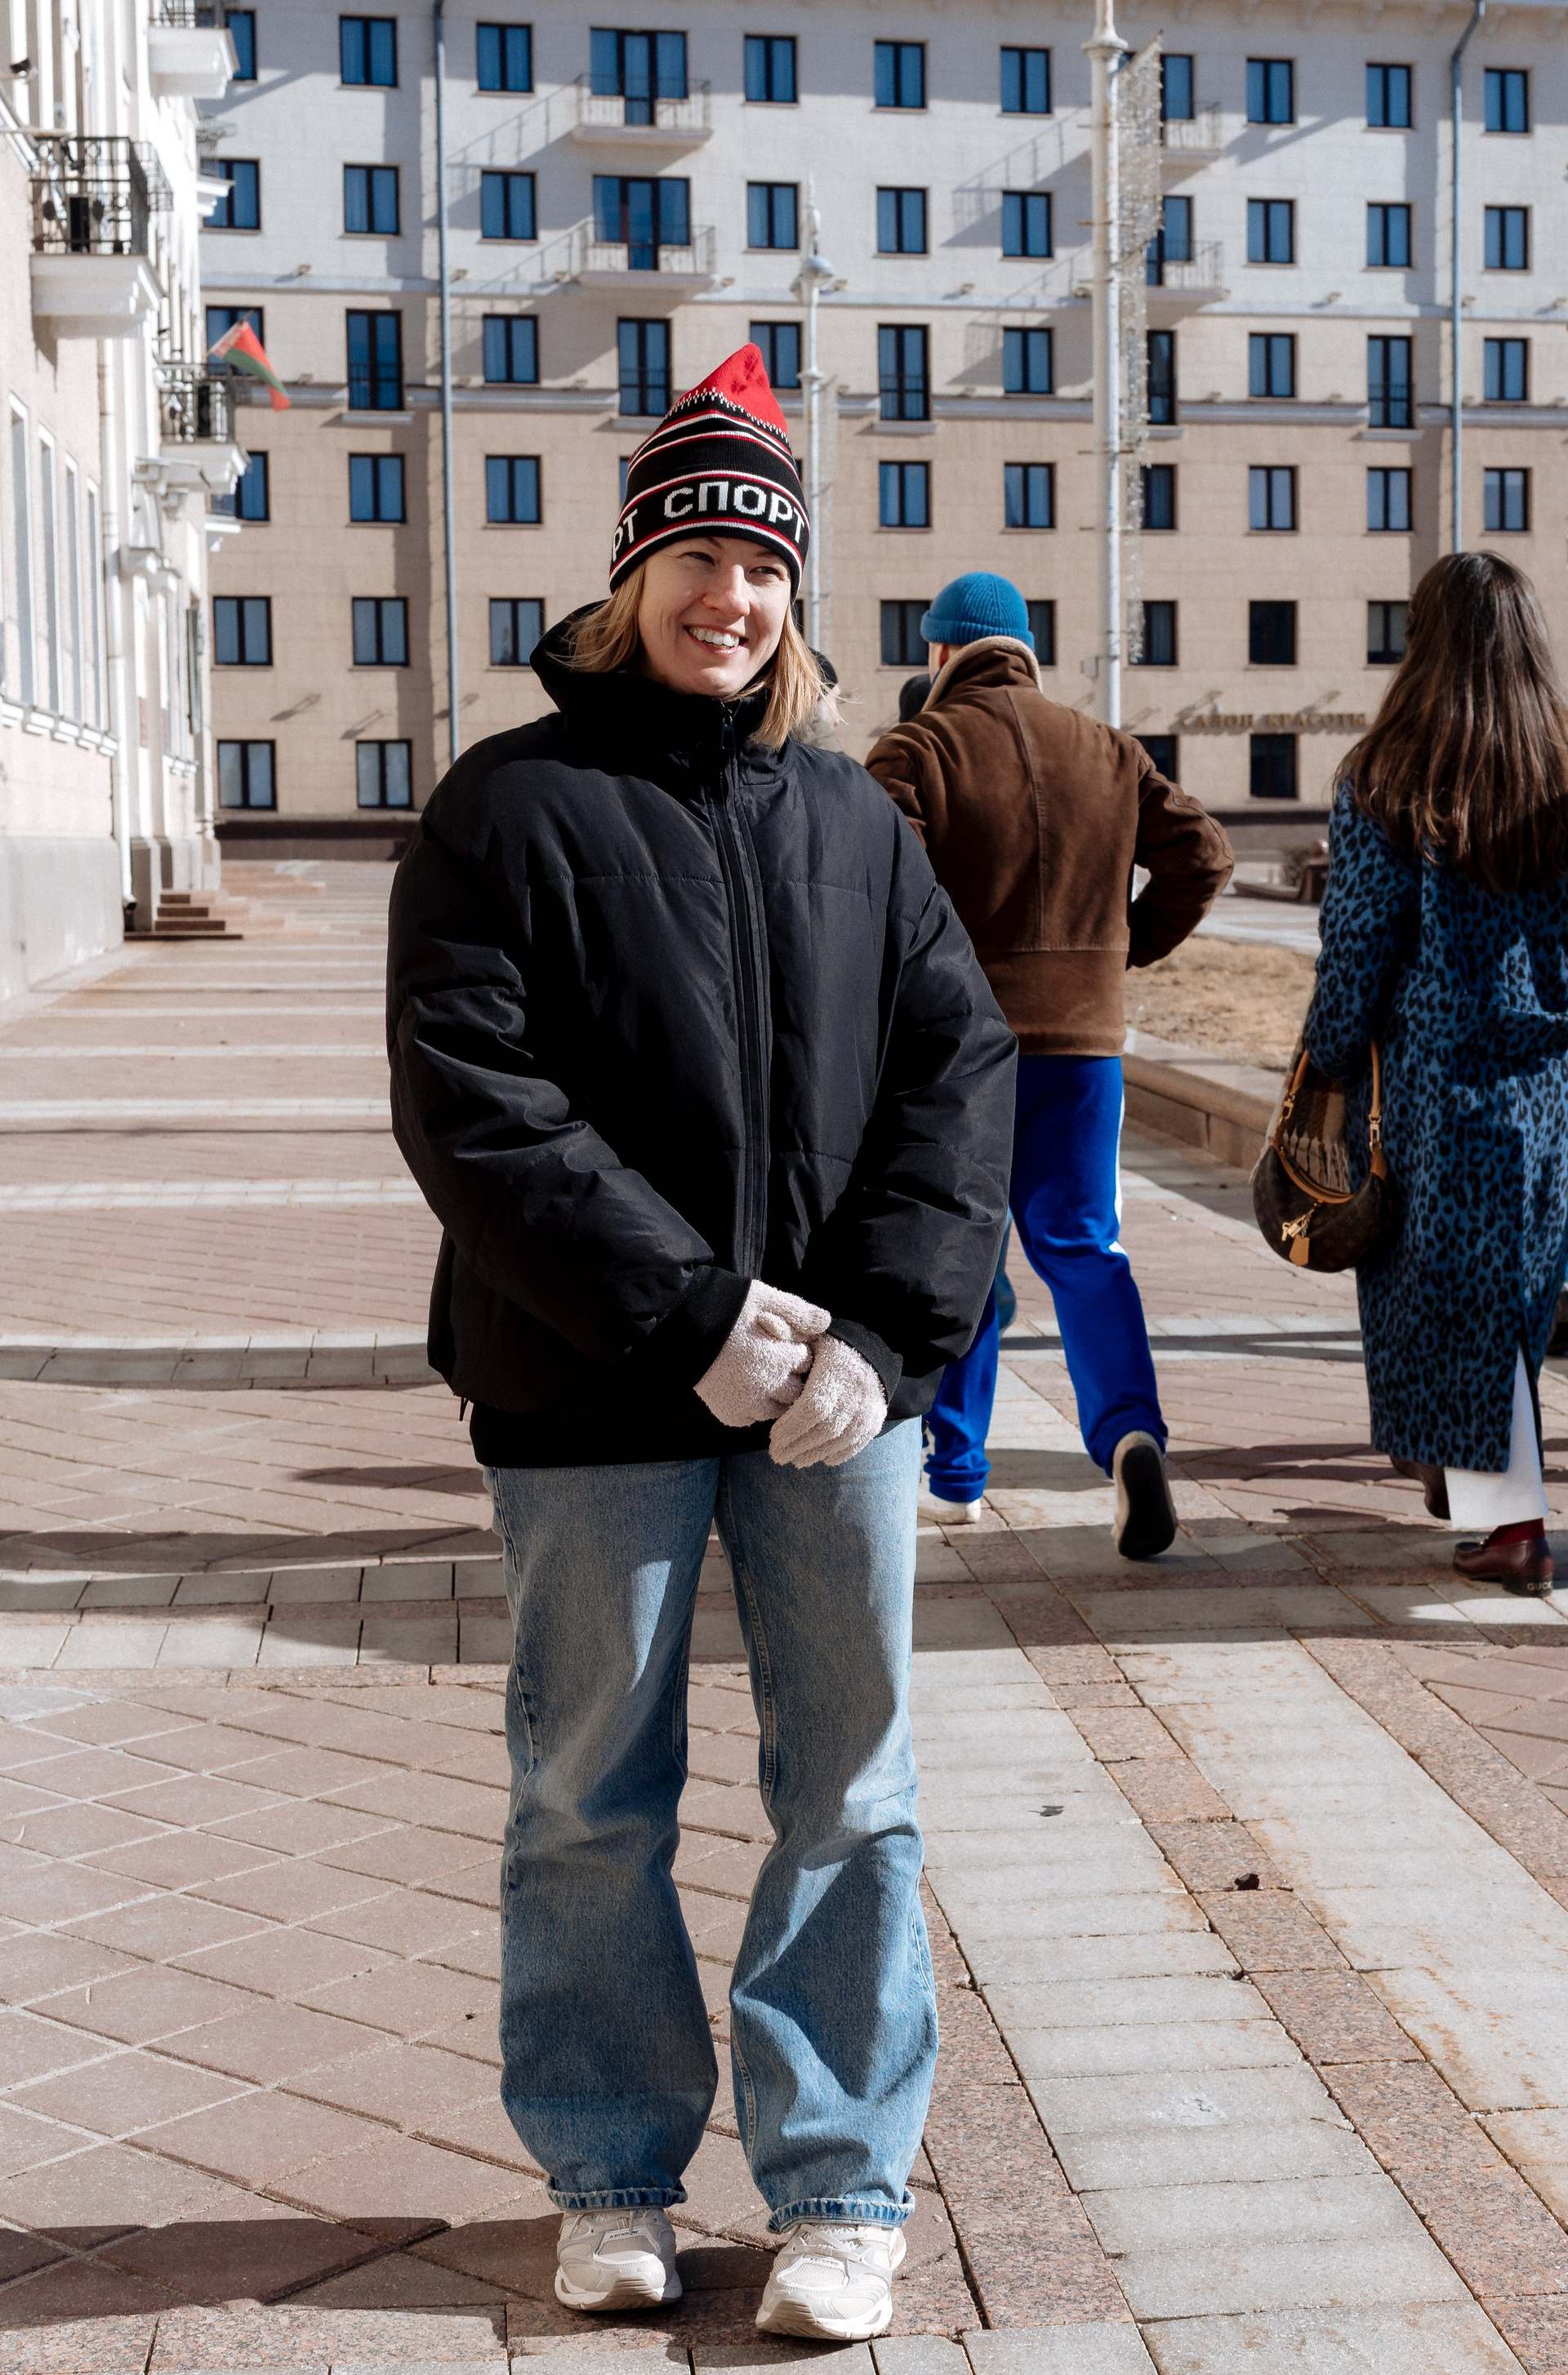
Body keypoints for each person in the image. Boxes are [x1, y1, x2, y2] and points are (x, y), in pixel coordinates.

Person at [386, 346, 1014, 2341]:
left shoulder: (856, 819)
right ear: (631, 571)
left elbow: (955, 1075)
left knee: (851, 1792)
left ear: (794, 593)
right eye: (694, 556)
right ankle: (609, 2170)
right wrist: (687, 1312)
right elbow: (473, 1102)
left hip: (837, 1401)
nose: (726, 595)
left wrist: (884, 1333)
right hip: (593, 1388)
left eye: (760, 563)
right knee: (589, 1789)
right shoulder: (506, 807)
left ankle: (841, 2191)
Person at [865, 571, 1233, 1555]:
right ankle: (1131, 1436)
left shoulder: (917, 748)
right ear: (1025, 650)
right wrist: (1119, 951)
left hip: (960, 1054)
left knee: (964, 1255)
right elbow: (1203, 854)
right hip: (1082, 1050)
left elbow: (874, 890)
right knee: (1082, 1247)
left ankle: (955, 1473)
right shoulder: (1107, 748)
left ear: (942, 652)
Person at [1303, 551, 1568, 1595]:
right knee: (1510, 1300)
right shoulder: (1556, 777)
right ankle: (1475, 1487)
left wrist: (1327, 1060)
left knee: (1451, 1305)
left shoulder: (1388, 778)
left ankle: (1512, 1525)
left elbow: (1357, 944)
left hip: (1435, 1091)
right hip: (1546, 1092)